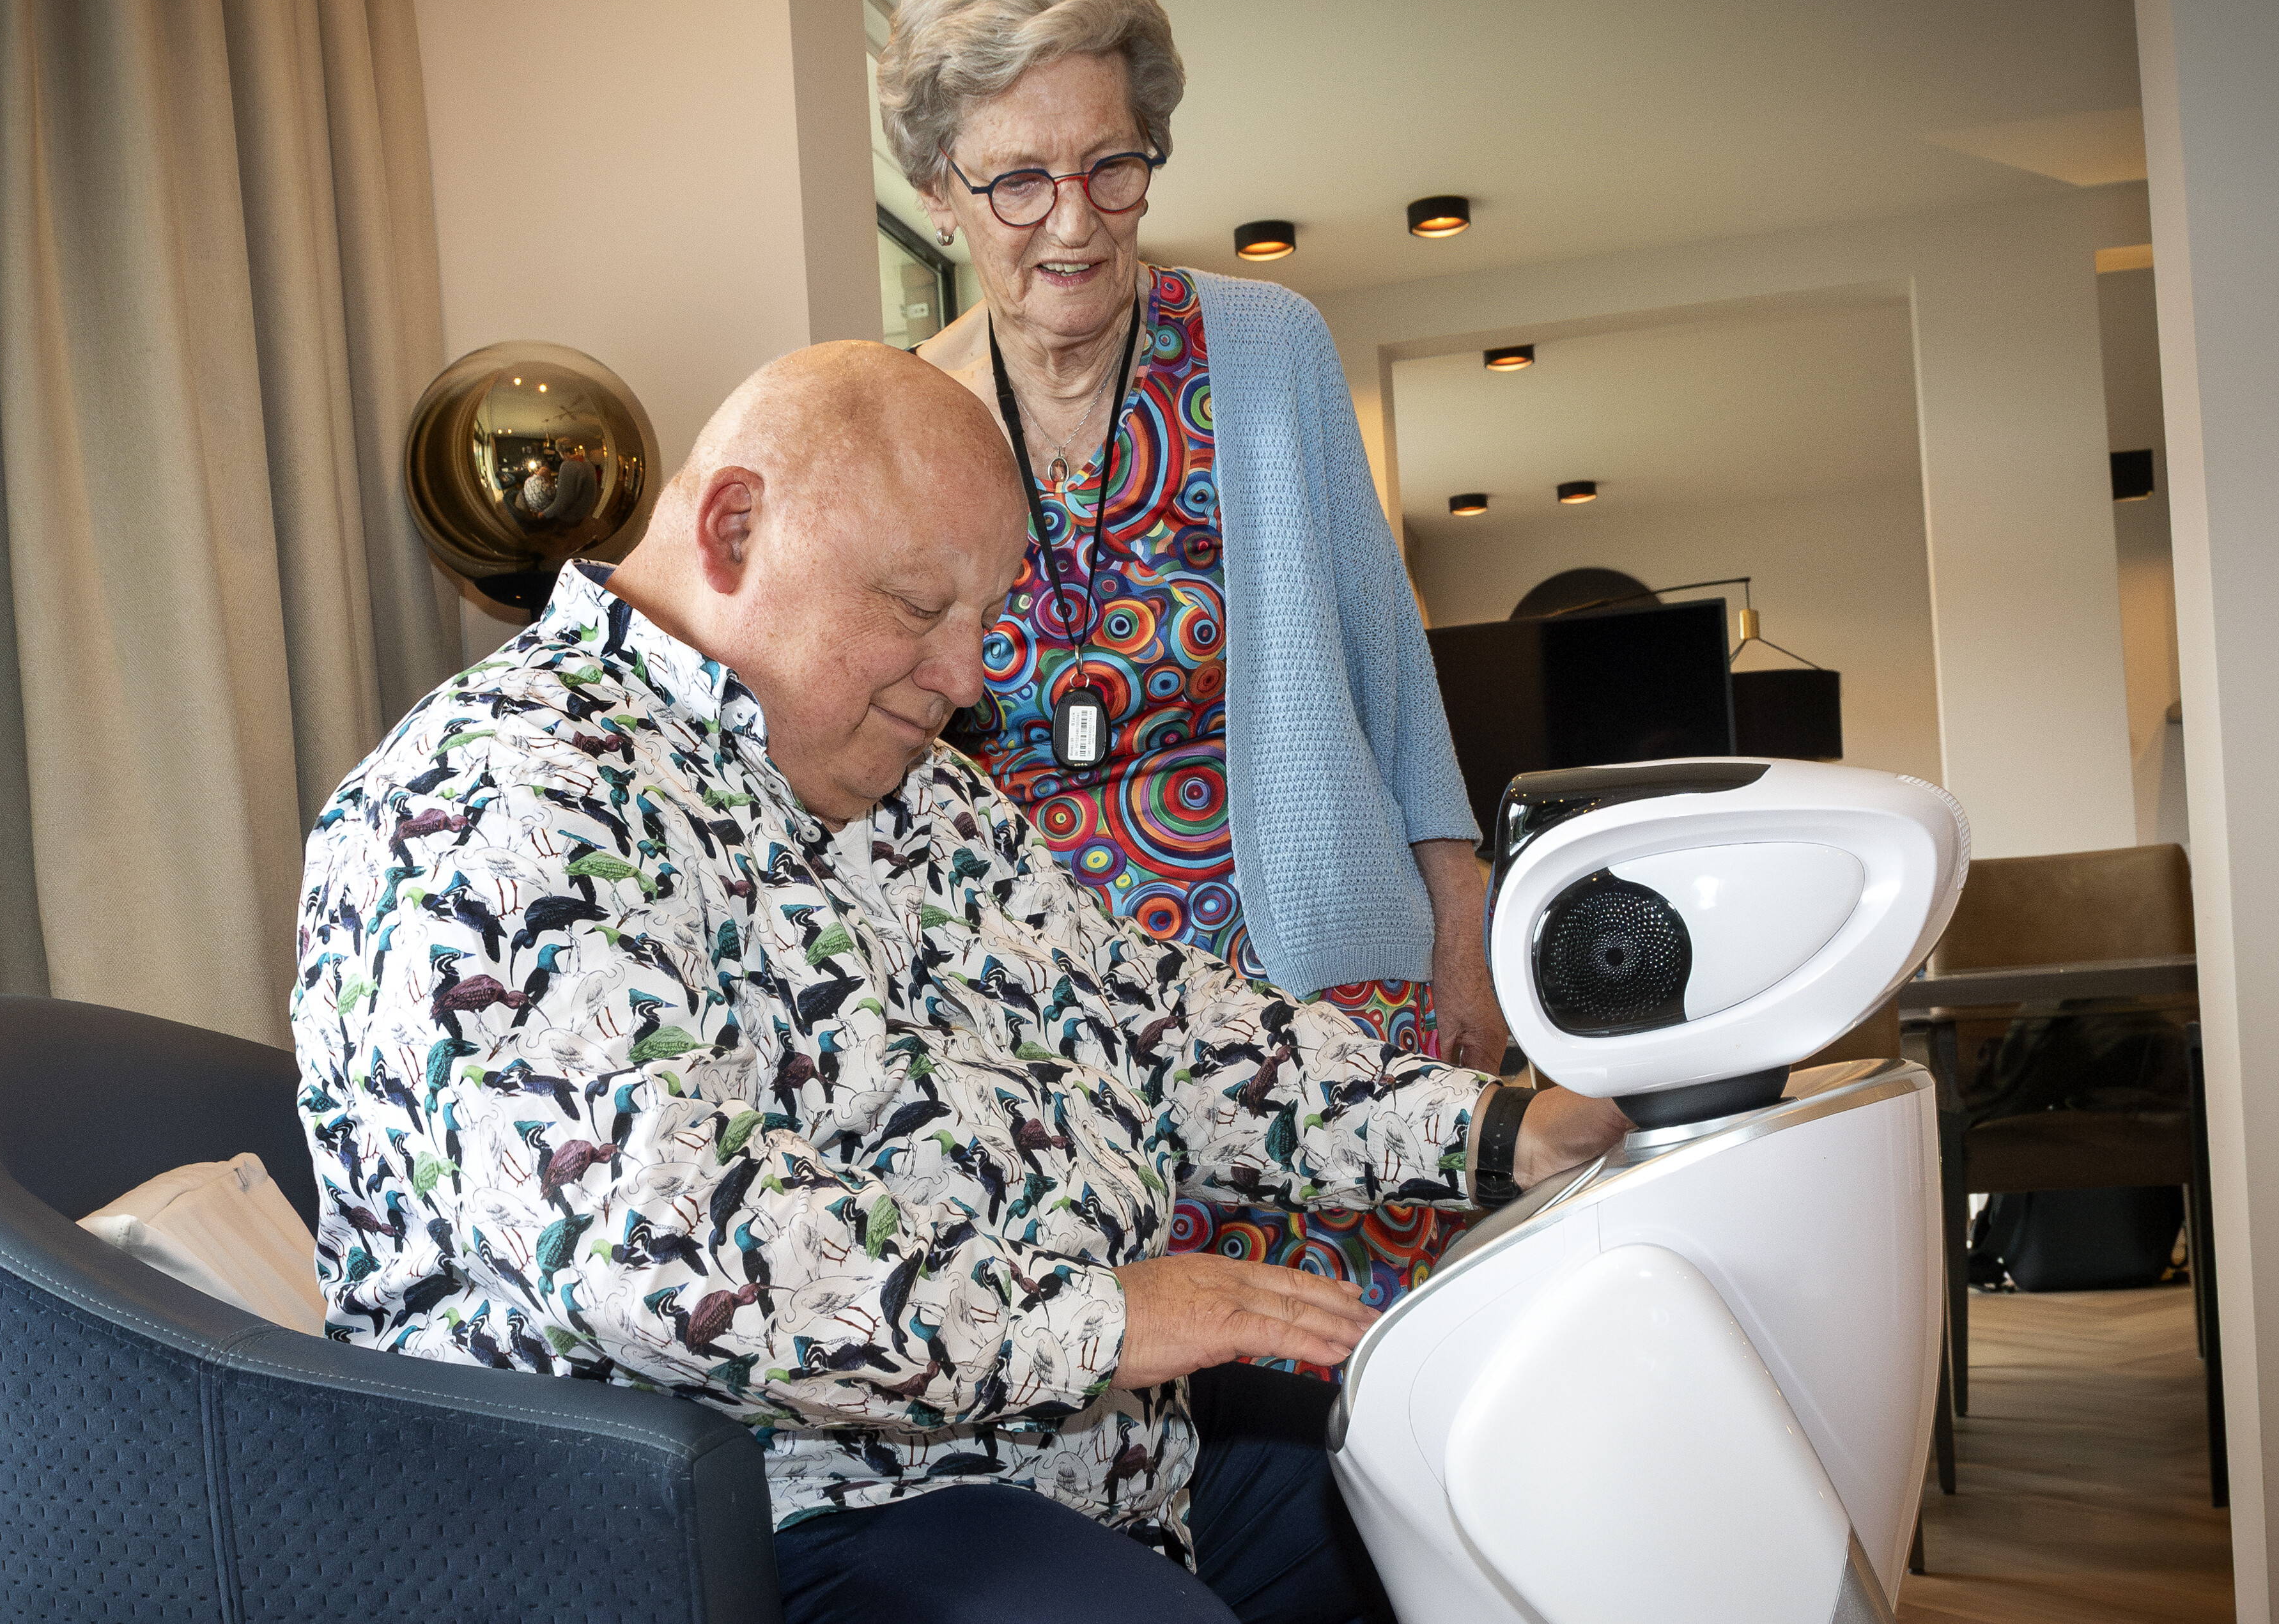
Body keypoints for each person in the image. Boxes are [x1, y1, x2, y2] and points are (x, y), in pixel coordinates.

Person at [292, 341, 1626, 1624]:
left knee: (1493, 1482)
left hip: (1078, 1450)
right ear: (735, 528)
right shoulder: (495, 798)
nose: (969, 677)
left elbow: (1148, 1028)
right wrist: (1099, 1320)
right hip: (764, 1513)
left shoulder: (923, 793)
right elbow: (654, 1245)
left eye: (987, 618)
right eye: (921, 609)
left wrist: (1500, 1131)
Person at [881, 0, 1503, 1334]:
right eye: (1018, 181)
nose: (1075, 222)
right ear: (935, 193)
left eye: (1112, 165)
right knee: (1128, 1392)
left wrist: (1460, 922)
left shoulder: (1267, 348)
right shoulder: (904, 417)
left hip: (1309, 990)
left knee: (1362, 1374)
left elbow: (1386, 658)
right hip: (1034, 1032)